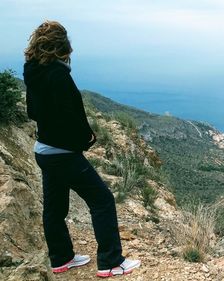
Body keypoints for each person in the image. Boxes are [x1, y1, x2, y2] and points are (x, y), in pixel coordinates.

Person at [23, 20, 140, 278]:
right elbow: (71, 116)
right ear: (62, 48)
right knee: (102, 200)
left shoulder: (31, 72)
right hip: (63, 153)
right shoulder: (59, 76)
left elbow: (32, 111)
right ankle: (111, 261)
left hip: (42, 150)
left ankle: (60, 258)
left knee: (54, 208)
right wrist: (85, 138)